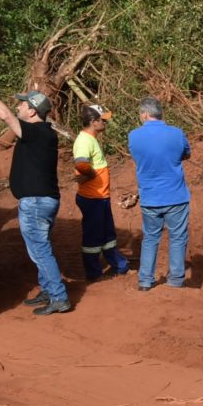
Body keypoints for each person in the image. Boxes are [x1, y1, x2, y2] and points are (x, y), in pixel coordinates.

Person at [0, 65, 71, 315]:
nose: (18, 107)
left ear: (33, 110)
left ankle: (59, 296)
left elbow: (4, 115)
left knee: (39, 249)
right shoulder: (43, 133)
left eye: (22, 104)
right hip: (41, 200)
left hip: (36, 203)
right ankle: (48, 290)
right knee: (40, 246)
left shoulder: (35, 132)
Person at [128, 97, 191, 291]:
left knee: (150, 238)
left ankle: (145, 280)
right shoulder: (177, 133)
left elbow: (137, 156)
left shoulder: (134, 136)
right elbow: (186, 154)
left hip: (150, 197)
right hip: (176, 196)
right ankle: (176, 280)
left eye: (140, 114)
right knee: (178, 238)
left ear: (145, 114)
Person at [73, 104, 129, 280]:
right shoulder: (84, 141)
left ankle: (119, 265)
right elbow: (81, 164)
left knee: (107, 234)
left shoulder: (91, 138)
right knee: (93, 237)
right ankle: (94, 273)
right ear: (93, 121)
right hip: (92, 197)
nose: (105, 122)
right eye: (103, 120)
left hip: (100, 196)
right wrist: (91, 174)